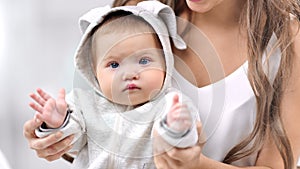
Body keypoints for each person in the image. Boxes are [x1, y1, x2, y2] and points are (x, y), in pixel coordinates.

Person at [23, 0, 300, 168]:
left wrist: (196, 166)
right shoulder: (141, 11)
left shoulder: (288, 42)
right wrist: (58, 133)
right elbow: (103, 118)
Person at [28, 2, 199, 168]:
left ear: (165, 62)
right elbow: (70, 144)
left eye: (144, 60)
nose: (130, 74)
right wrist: (58, 123)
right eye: (114, 65)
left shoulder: (170, 104)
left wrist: (176, 127)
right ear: (95, 73)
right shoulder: (84, 105)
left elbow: (182, 149)